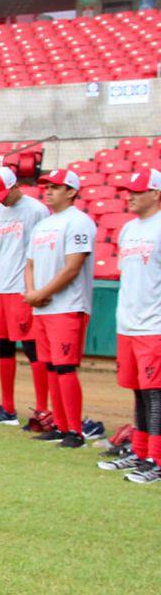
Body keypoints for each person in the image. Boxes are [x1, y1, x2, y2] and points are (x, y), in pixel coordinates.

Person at [23, 169, 97, 447]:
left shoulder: (79, 222)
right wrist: (31, 293)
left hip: (67, 306)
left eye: (56, 186)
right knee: (51, 367)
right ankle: (60, 424)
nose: (49, 190)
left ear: (72, 192)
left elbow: (73, 267)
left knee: (65, 368)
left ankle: (75, 431)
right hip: (43, 307)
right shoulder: (43, 224)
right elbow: (29, 263)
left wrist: (40, 293)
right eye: (47, 186)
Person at [0, 165, 52, 428]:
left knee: (32, 348)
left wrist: (35, 288)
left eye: (4, 193)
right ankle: (7, 408)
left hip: (22, 289)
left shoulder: (37, 210)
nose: (1, 199)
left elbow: (43, 252)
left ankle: (42, 409)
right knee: (3, 348)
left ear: (16, 186)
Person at [107, 168, 161, 482]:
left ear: (156, 193)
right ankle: (140, 452)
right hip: (128, 323)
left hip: (154, 325)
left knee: (155, 393)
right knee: (139, 391)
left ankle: (156, 458)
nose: (131, 196)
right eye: (129, 191)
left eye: (138, 191)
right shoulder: (128, 229)